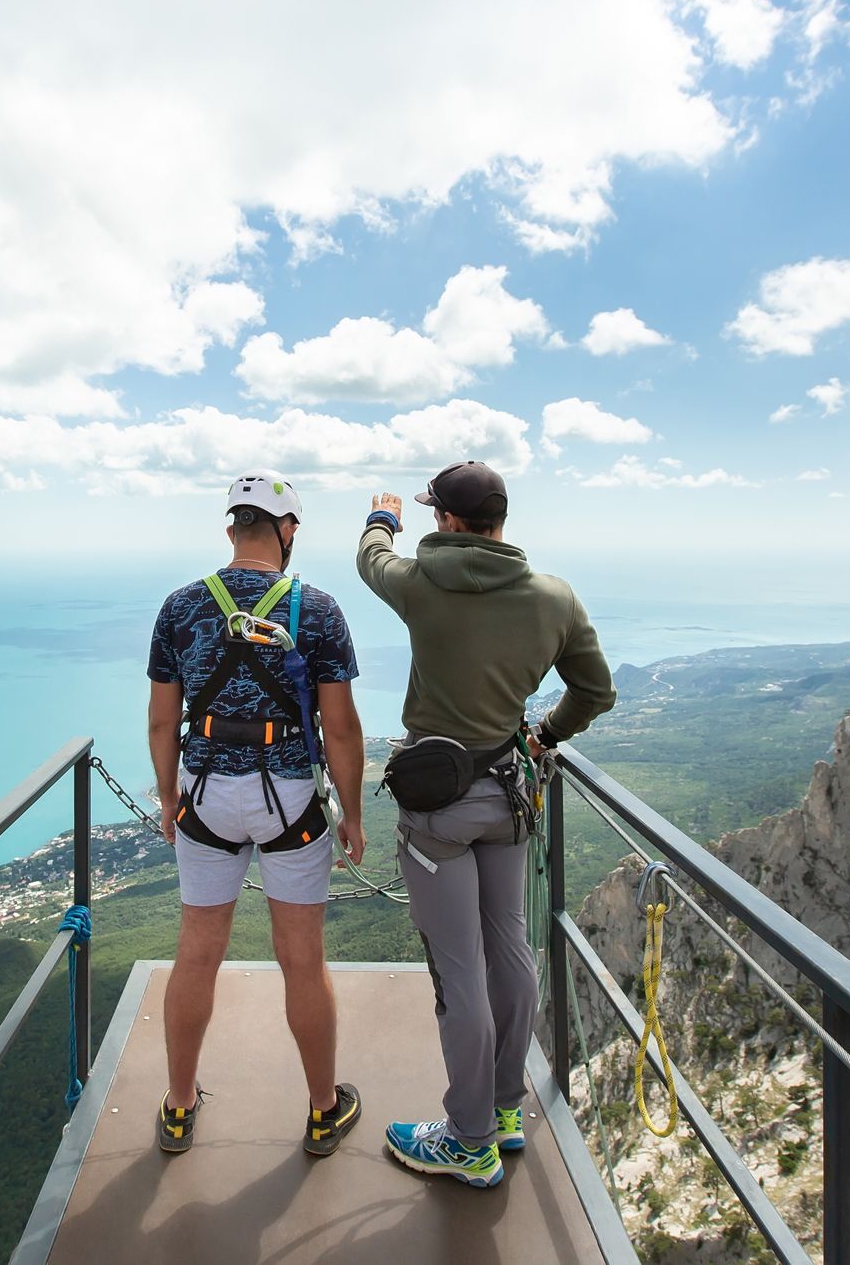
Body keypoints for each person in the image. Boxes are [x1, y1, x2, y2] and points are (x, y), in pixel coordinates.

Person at [356, 460, 615, 1188]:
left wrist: (381, 518)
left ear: (444, 520)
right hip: (508, 796)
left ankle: (468, 1140)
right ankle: (503, 1108)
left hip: (437, 807)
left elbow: (370, 559)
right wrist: (548, 733)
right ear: (501, 521)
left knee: (458, 971)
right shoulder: (552, 598)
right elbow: (597, 689)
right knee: (510, 948)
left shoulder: (420, 583)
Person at [146, 472, 367, 1157]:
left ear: (232, 528)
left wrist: (167, 797)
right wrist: (352, 815)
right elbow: (343, 728)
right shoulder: (319, 609)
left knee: (197, 950)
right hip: (290, 796)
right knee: (302, 957)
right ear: (287, 530)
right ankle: (323, 1110)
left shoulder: (181, 606)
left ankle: (180, 1105)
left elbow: (161, 721)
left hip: (206, 793)